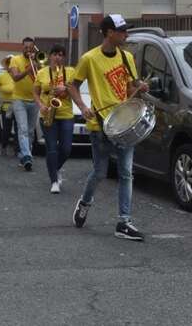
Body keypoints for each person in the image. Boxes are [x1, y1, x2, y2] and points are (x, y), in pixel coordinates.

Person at [67, 14, 149, 241]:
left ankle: (124, 222)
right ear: (109, 32)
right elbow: (72, 86)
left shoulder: (127, 57)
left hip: (124, 124)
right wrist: (83, 106)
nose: (126, 34)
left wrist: (140, 86)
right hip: (100, 123)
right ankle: (85, 202)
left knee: (126, 173)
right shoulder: (89, 59)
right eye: (122, 31)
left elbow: (133, 84)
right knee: (100, 172)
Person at [34, 45, 75, 194]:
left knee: (66, 149)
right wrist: (41, 106)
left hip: (66, 114)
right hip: (48, 114)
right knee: (51, 149)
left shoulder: (70, 72)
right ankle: (54, 181)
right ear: (50, 56)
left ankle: (55, 168)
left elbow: (75, 89)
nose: (58, 57)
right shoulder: (42, 73)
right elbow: (36, 93)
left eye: (61, 55)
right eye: (55, 54)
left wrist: (65, 89)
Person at [8, 37, 41, 171]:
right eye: (26, 47)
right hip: (19, 99)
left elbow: (43, 77)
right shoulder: (15, 60)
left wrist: (37, 64)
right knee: (22, 129)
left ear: (34, 48)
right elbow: (15, 77)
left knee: (30, 131)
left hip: (34, 99)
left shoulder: (38, 60)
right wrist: (28, 69)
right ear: (22, 47)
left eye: (30, 47)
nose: (28, 50)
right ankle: (27, 156)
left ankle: (25, 154)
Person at [0, 55, 16, 155]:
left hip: (18, 105)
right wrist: (2, 92)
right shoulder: (2, 76)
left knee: (19, 128)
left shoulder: (19, 74)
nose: (11, 65)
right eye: (9, 63)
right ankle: (4, 147)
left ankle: (17, 149)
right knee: (7, 129)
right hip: (6, 106)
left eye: (13, 62)